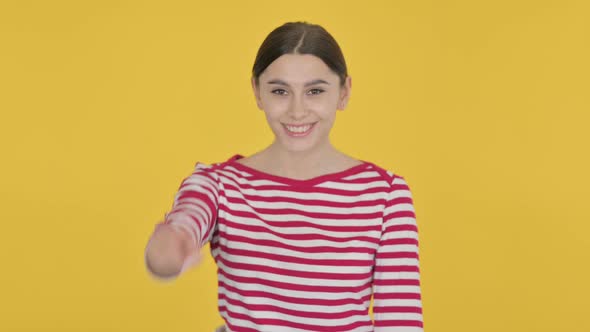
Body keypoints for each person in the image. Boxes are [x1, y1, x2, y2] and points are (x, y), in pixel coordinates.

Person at [144, 21, 424, 332]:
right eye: (280, 91)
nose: (297, 110)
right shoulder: (216, 185)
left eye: (315, 90)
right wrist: (169, 248)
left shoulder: (385, 194)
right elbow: (181, 231)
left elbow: (401, 322)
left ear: (344, 93)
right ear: (257, 92)